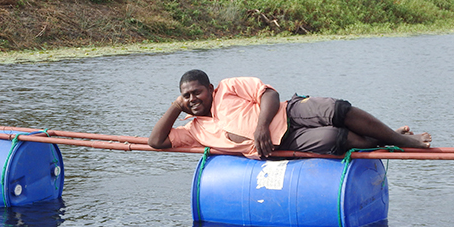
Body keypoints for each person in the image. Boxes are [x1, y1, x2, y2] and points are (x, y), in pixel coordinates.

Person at [148, 69, 432, 159]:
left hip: (288, 112)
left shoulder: (228, 87)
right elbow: (156, 142)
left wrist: (261, 127)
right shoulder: (194, 129)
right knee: (337, 138)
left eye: (197, 92)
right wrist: (175, 108)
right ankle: (388, 139)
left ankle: (403, 139)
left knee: (337, 109)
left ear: (209, 88)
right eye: (186, 96)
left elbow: (268, 94)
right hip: (284, 144)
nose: (193, 99)